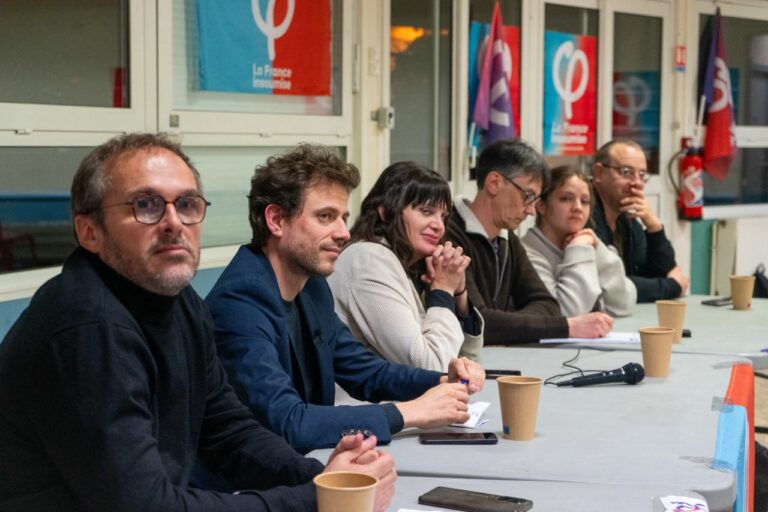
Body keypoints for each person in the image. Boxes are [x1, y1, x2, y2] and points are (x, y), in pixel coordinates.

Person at [0, 133, 396, 512]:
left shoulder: (180, 301)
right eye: (146, 205)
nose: (174, 222)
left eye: (187, 205)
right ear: (90, 232)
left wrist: (324, 478)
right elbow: (145, 506)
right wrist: (316, 500)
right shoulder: (88, 328)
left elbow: (226, 428)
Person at [205, 144, 485, 454]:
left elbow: (365, 371)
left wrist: (442, 380)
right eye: (325, 216)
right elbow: (288, 422)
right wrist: (410, 413)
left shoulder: (311, 287)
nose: (344, 233)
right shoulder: (239, 304)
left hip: (305, 464)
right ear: (276, 220)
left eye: (343, 217)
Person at [446, 138, 614, 344]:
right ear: (494, 183)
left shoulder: (507, 238)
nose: (532, 209)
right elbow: (480, 323)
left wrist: (507, 326)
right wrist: (568, 327)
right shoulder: (449, 235)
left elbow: (548, 305)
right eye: (528, 196)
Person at [328, 161, 483, 371]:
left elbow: (468, 358)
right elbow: (431, 368)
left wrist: (459, 293)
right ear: (385, 212)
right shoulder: (369, 260)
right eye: (426, 211)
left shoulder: (406, 263)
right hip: (361, 403)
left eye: (443, 216)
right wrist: (443, 291)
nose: (439, 225)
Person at [521, 165, 637, 317]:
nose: (578, 208)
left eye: (585, 201)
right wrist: (579, 249)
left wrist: (598, 249)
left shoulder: (585, 242)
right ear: (541, 206)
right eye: (566, 199)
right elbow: (566, 312)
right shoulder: (526, 254)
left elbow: (623, 304)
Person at [590, 139, 689, 302]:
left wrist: (654, 227)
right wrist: (673, 286)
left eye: (642, 175)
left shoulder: (627, 218)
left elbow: (660, 272)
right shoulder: (582, 213)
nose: (637, 183)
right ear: (599, 173)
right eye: (626, 172)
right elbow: (611, 286)